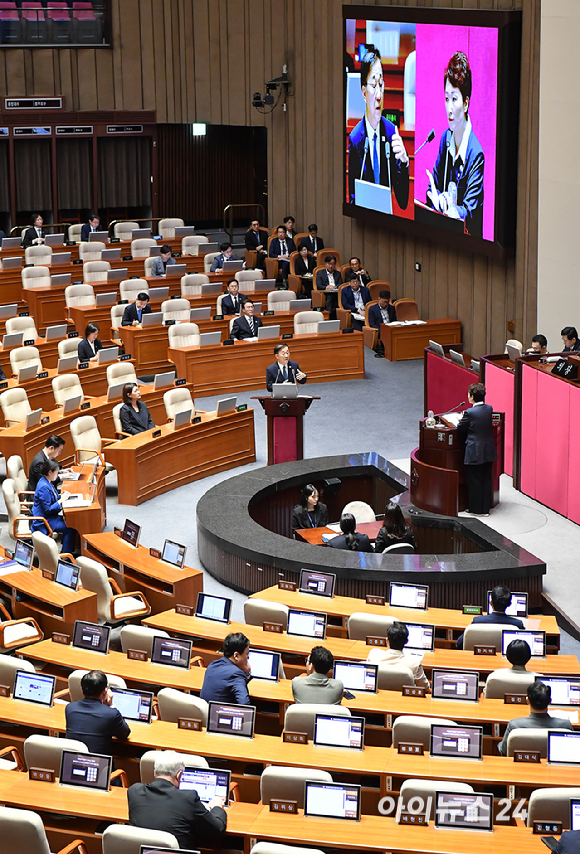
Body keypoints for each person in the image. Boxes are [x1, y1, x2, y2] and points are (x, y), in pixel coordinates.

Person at [426, 51, 484, 238]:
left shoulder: (476, 154)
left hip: (468, 244)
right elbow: (432, 186)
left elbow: (469, 210)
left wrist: (448, 206)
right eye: (446, 98)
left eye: (455, 99)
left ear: (466, 103)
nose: (449, 108)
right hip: (442, 236)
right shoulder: (445, 138)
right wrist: (433, 197)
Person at [348, 47, 409, 209]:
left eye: (381, 84)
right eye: (373, 85)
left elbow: (403, 202)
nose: (379, 95)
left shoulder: (391, 133)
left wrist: (404, 161)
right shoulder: (355, 139)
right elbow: (353, 198)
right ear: (363, 92)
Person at [128, 751, 227, 850]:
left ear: (155, 772)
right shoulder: (188, 798)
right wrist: (217, 806)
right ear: (179, 775)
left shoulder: (134, 791)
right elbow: (217, 830)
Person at [498, 680, 574, 755]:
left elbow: (504, 751)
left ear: (527, 701)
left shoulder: (514, 725)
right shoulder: (565, 726)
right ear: (550, 701)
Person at [65, 670, 131, 755]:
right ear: (105, 691)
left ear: (82, 689)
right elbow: (124, 734)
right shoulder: (111, 714)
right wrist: (111, 706)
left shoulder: (70, 708)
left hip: (72, 763)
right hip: (100, 765)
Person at [457, 381, 497, 516]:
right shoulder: (489, 408)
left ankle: (475, 509)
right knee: (486, 479)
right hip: (488, 450)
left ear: (472, 397)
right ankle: (485, 508)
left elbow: (460, 428)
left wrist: (463, 418)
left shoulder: (469, 412)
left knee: (474, 481)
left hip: (474, 452)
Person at [30, 459, 78, 554]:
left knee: (71, 522)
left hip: (50, 517)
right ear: (49, 472)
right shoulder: (44, 486)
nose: (58, 474)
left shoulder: (47, 481)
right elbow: (48, 510)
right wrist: (61, 500)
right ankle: (65, 555)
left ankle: (67, 551)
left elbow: (51, 498)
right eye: (56, 472)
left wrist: (61, 496)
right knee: (70, 528)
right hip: (44, 521)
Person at [456, 585, 525, 650]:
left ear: (491, 603)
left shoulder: (477, 622)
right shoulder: (517, 624)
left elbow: (459, 643)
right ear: (509, 604)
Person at [366, 622, 430, 691]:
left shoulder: (373, 654)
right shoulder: (414, 663)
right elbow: (425, 689)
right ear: (406, 641)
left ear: (387, 640)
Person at [199, 632, 251, 704]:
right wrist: (246, 673)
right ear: (236, 656)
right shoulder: (236, 674)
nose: (248, 657)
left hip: (206, 711)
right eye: (247, 654)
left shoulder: (213, 665)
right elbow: (245, 704)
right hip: (220, 714)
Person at [368, 290, 397, 358]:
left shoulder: (392, 308)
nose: (385, 304)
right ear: (379, 299)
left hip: (391, 328)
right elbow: (372, 324)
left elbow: (394, 320)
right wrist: (382, 330)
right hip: (380, 330)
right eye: (384, 302)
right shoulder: (372, 309)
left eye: (387, 302)